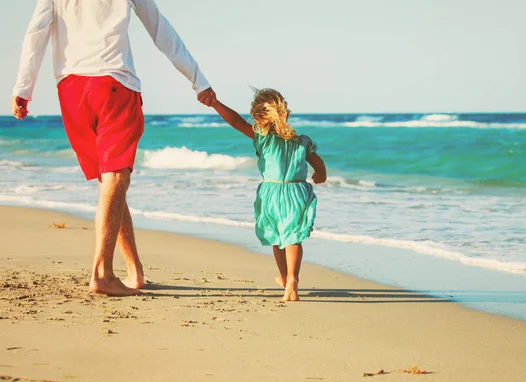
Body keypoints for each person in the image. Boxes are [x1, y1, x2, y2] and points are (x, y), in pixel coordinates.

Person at [10, 0, 217, 296]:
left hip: (70, 92)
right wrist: (199, 81)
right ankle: (102, 274)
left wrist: (23, 88)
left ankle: (134, 271)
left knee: (110, 182)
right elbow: (161, 31)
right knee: (116, 179)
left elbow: (35, 33)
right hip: (113, 84)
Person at [213, 89, 327, 301]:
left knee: (276, 237)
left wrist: (216, 104)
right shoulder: (301, 141)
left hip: (271, 193)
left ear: (259, 116)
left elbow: (235, 122)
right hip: (297, 191)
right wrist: (321, 175)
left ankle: (284, 278)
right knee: (293, 236)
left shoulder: (263, 138)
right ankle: (293, 279)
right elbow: (317, 163)